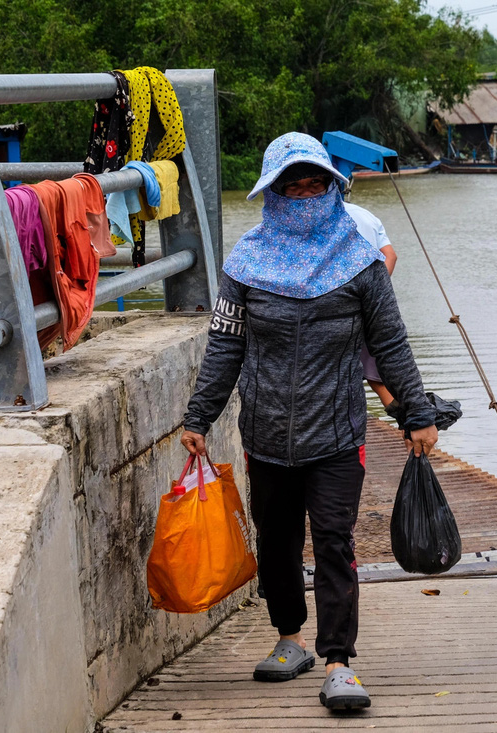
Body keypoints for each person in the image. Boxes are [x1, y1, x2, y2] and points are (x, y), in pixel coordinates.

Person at [180, 132, 438, 711]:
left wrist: (417, 412)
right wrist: (199, 416)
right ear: (272, 193)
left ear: (332, 187)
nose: (304, 195)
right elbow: (224, 346)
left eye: (314, 184)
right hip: (266, 432)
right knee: (276, 542)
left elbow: (391, 343)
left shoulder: (360, 262)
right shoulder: (245, 263)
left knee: (333, 542)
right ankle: (289, 638)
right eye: (291, 186)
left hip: (337, 433)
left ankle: (339, 662)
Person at [343, 201, 398, 407]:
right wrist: (374, 290)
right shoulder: (366, 215)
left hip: (338, 306)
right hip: (371, 305)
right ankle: (412, 423)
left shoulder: (318, 218)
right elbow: (391, 256)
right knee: (379, 378)